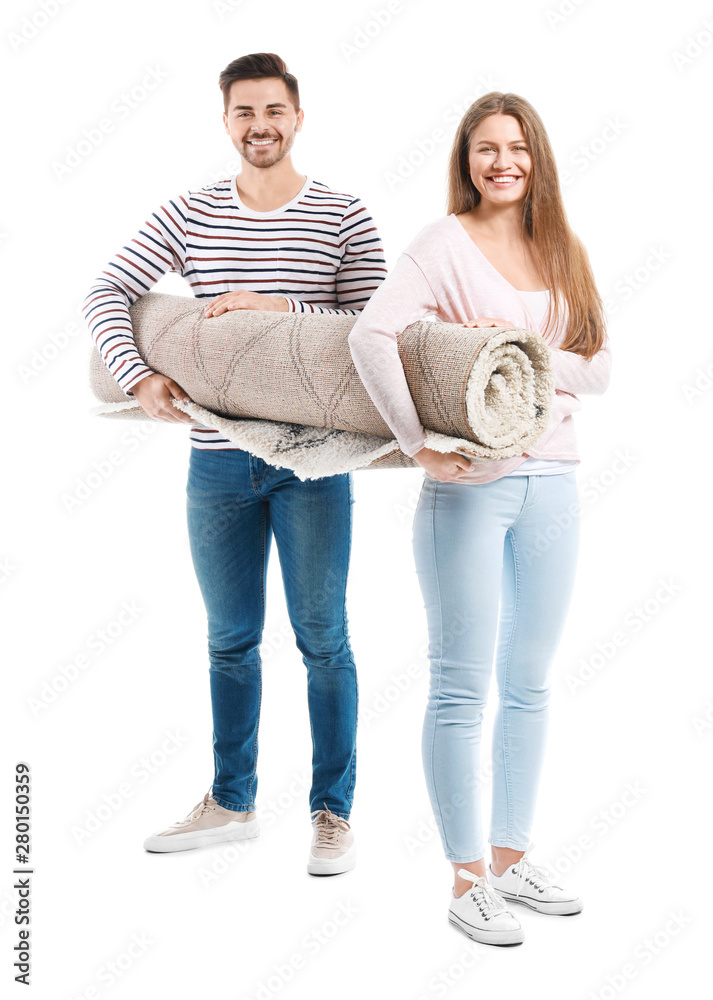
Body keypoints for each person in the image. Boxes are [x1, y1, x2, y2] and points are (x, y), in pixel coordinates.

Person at [83, 52, 386, 875]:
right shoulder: (190, 212)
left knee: (324, 641)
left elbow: (379, 322)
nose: (260, 126)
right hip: (216, 465)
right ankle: (232, 801)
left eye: (274, 111)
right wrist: (139, 374)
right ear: (226, 122)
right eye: (244, 113)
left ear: (298, 116)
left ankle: (332, 813)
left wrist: (276, 307)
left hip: (317, 462)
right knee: (229, 640)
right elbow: (106, 291)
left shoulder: (340, 213)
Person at [348, 92, 611, 943]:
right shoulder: (440, 244)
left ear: (537, 158)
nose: (502, 162)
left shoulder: (559, 248)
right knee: (461, 685)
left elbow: (601, 370)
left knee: (529, 681)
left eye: (517, 148)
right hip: (468, 485)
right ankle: (464, 880)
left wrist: (521, 351)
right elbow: (370, 337)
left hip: (554, 482)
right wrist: (415, 441)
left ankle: (508, 858)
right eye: (485, 149)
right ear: (465, 159)